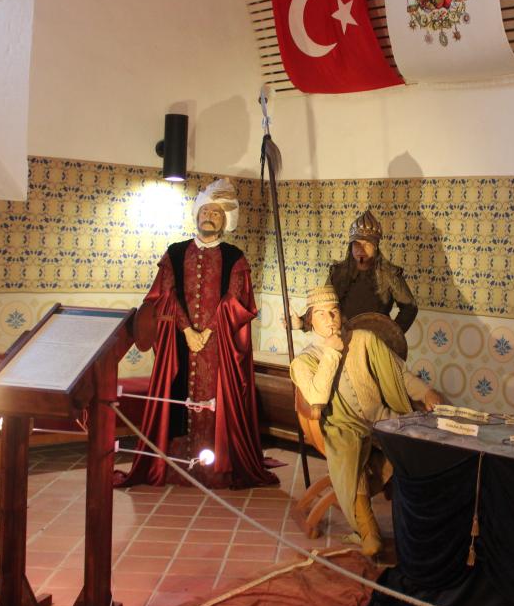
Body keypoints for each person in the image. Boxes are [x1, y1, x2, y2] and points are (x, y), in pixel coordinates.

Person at [115, 178, 278, 489]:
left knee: (216, 401)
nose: (209, 217)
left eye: (216, 213)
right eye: (205, 211)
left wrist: (208, 331)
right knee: (176, 396)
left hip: (218, 346)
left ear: (224, 220)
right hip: (179, 342)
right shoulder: (175, 253)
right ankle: (174, 466)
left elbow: (236, 298)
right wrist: (188, 330)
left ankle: (215, 467)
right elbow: (165, 294)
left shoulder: (235, 257)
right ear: (197, 214)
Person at [289, 286, 442, 556]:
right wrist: (331, 353)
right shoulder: (304, 361)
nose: (330, 319)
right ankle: (367, 529)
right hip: (343, 426)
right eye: (322, 314)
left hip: (381, 417)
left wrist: (426, 392)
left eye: (334, 311)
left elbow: (399, 373)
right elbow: (317, 397)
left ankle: (422, 523)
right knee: (351, 451)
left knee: (416, 442)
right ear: (310, 319)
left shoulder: (364, 339)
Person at [326, 210, 418, 332]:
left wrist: (390, 334)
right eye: (357, 244)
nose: (361, 249)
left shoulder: (389, 274)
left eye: (367, 244)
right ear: (350, 246)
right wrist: (303, 322)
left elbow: (409, 308)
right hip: (343, 336)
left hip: (375, 339)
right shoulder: (337, 272)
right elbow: (324, 304)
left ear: (375, 247)